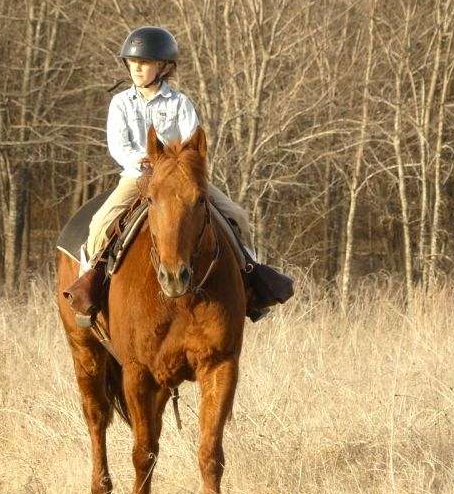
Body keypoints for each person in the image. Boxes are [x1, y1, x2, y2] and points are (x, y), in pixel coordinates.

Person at [62, 26, 293, 322]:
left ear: (163, 66)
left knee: (238, 216)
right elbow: (118, 146)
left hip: (181, 180)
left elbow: (192, 144)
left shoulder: (179, 103)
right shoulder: (120, 104)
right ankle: (89, 286)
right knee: (99, 224)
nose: (137, 68)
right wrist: (143, 161)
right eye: (132, 62)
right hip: (137, 177)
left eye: (144, 63)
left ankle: (252, 285)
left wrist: (177, 168)